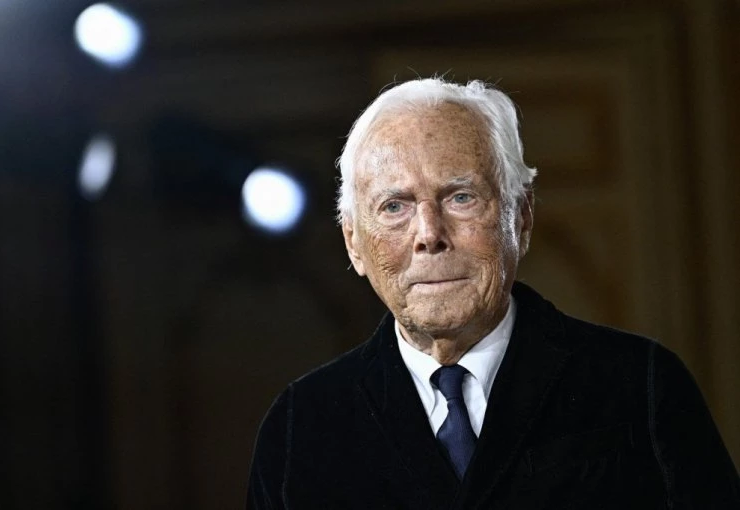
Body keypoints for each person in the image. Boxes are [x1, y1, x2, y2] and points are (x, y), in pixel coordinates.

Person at [247, 77, 740, 509]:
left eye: (460, 197)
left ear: (520, 218)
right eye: (394, 206)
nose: (429, 234)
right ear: (354, 243)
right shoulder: (300, 427)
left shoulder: (641, 385)